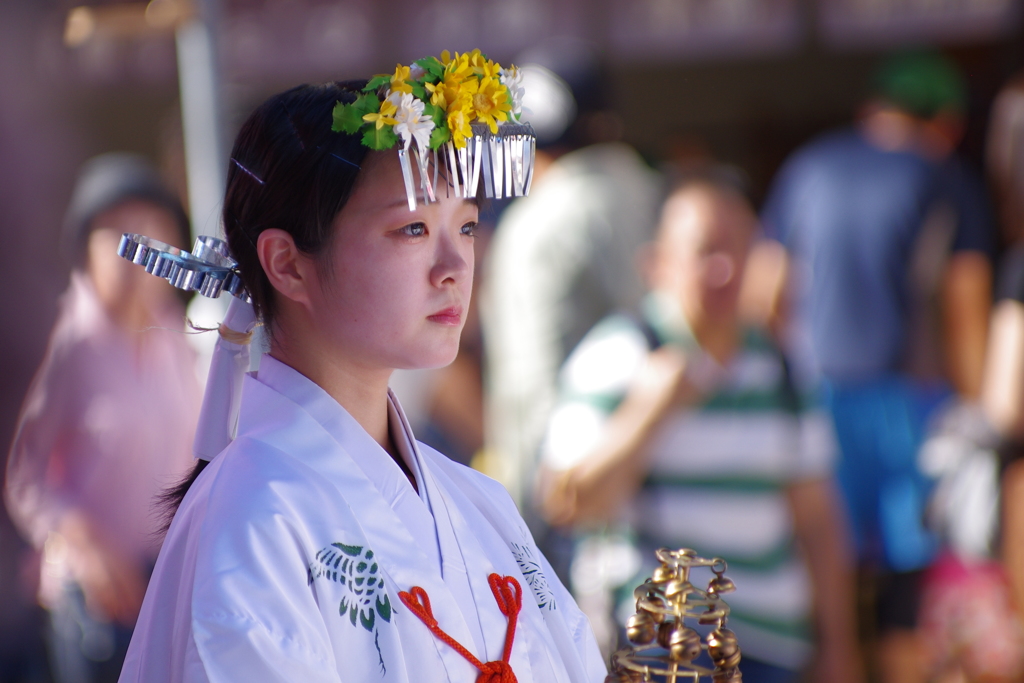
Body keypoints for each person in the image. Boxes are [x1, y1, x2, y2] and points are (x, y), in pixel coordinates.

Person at [118, 56, 606, 683]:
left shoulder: (478, 502)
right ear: (288, 264)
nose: (454, 264)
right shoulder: (254, 512)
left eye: (466, 225)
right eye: (411, 228)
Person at [537, 172, 862, 683]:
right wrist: (649, 410)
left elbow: (818, 519)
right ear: (658, 264)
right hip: (666, 646)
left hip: (774, 645)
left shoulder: (781, 364)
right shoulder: (619, 354)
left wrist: (840, 649)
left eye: (739, 250)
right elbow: (566, 502)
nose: (725, 269)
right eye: (706, 252)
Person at [760, 52, 996, 683]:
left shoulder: (807, 168)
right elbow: (965, 307)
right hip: (909, 411)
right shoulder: (945, 179)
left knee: (826, 578)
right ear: (944, 123)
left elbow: (768, 293)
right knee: (903, 593)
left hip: (817, 402)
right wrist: (977, 412)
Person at [4, 153, 202, 683]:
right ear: (84, 250)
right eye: (119, 234)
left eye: (154, 232)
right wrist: (83, 540)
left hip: (163, 579)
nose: (140, 251)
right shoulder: (65, 340)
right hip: (91, 596)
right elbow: (25, 474)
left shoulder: (176, 337)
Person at [480, 40, 662, 511]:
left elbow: (529, 384)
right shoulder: (650, 189)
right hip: (640, 462)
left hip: (565, 477)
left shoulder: (542, 215)